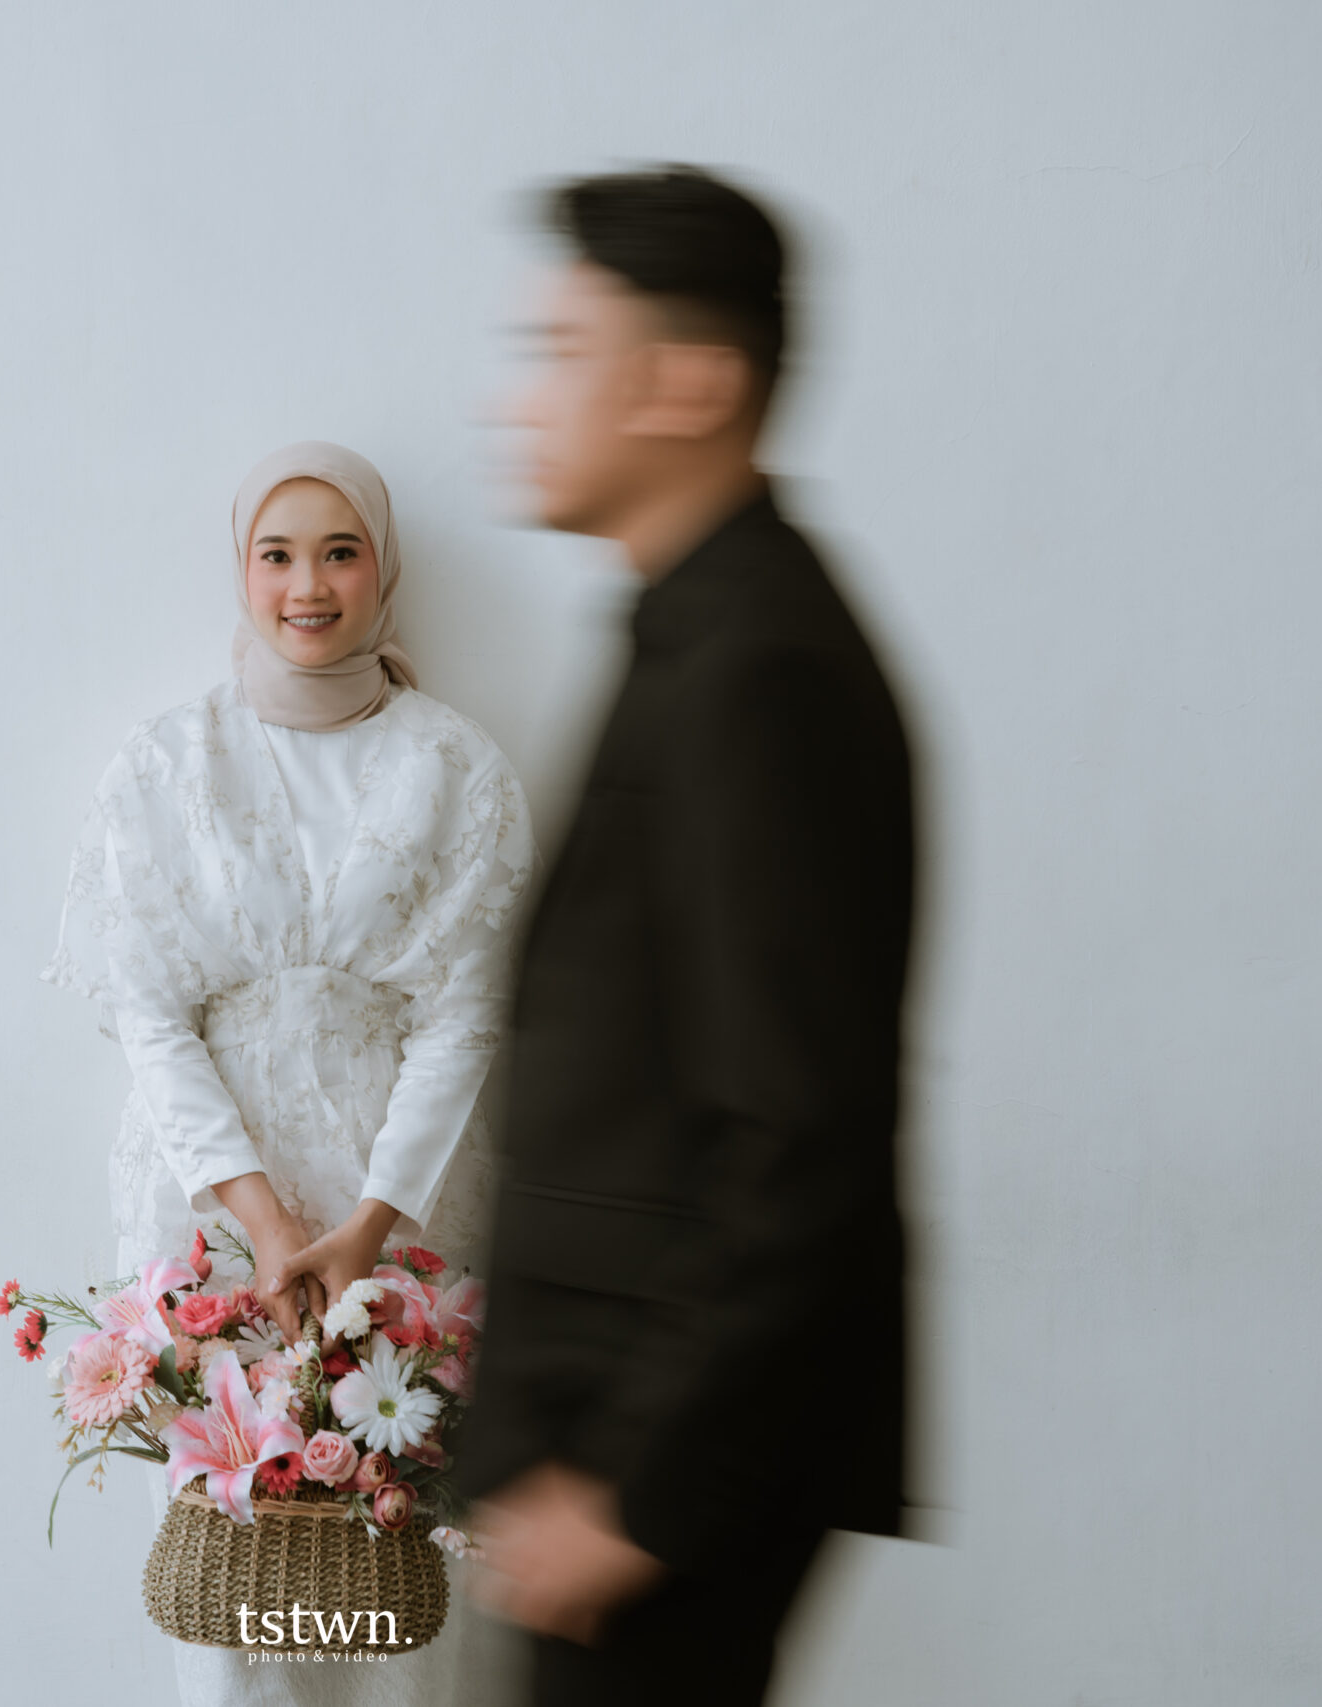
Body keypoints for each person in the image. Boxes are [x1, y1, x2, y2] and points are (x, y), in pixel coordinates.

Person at [456, 168, 918, 1704]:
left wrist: (639, 1491)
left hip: (653, 1480)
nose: (519, 397)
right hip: (605, 1457)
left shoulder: (758, 668)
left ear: (693, 383)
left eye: (562, 351)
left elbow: (798, 1130)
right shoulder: (703, 629)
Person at [44, 441, 535, 1706]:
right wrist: (262, 1221)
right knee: (231, 1552)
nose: (306, 586)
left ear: (383, 570)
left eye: (339, 552)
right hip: (211, 1204)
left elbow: (463, 1022)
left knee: (396, 1540)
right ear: (241, 570)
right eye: (276, 555)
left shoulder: (454, 767)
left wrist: (369, 1227)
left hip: (403, 1193)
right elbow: (150, 1017)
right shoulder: (168, 764)